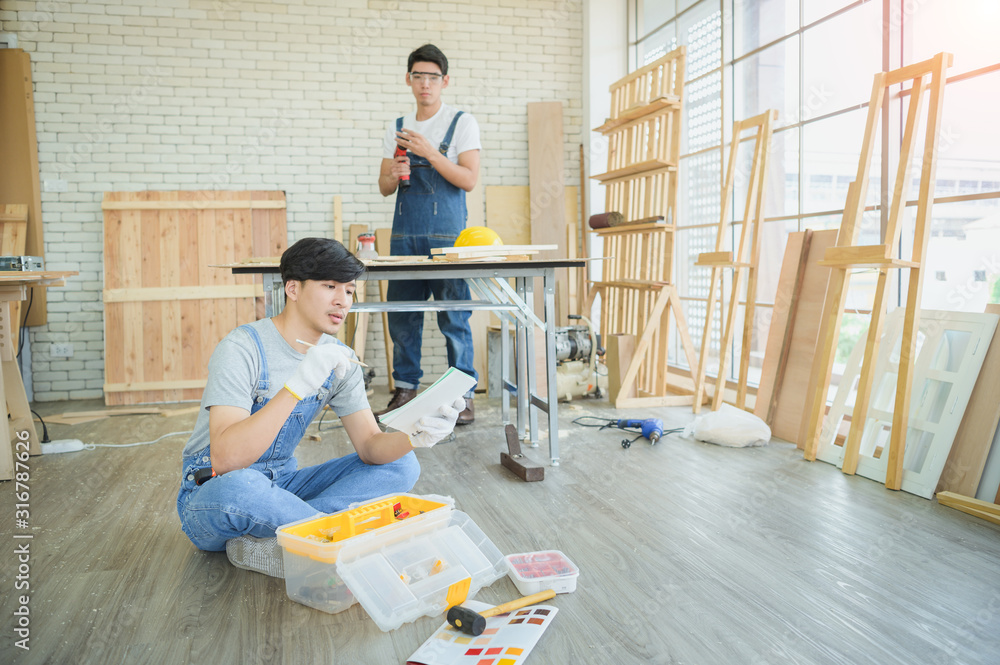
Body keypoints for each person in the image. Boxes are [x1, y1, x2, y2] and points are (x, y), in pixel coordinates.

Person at [176, 237, 465, 577]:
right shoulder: (242, 348)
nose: (342, 301)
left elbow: (371, 447)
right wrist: (298, 384)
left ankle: (294, 536)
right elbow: (226, 460)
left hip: (282, 487)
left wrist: (415, 433)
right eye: (330, 286)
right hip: (213, 491)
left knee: (402, 465)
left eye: (350, 290)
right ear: (293, 289)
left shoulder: (336, 356)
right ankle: (336, 540)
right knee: (243, 486)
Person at [376, 43, 480, 424]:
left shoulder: (462, 122)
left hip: (449, 239)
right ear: (409, 79)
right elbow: (385, 187)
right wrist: (394, 170)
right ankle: (404, 391)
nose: (425, 84)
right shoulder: (397, 125)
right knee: (403, 317)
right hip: (405, 238)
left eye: (432, 77)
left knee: (454, 317)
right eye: (418, 76)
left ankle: (463, 397)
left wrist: (430, 152)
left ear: (444, 81)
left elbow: (469, 179)